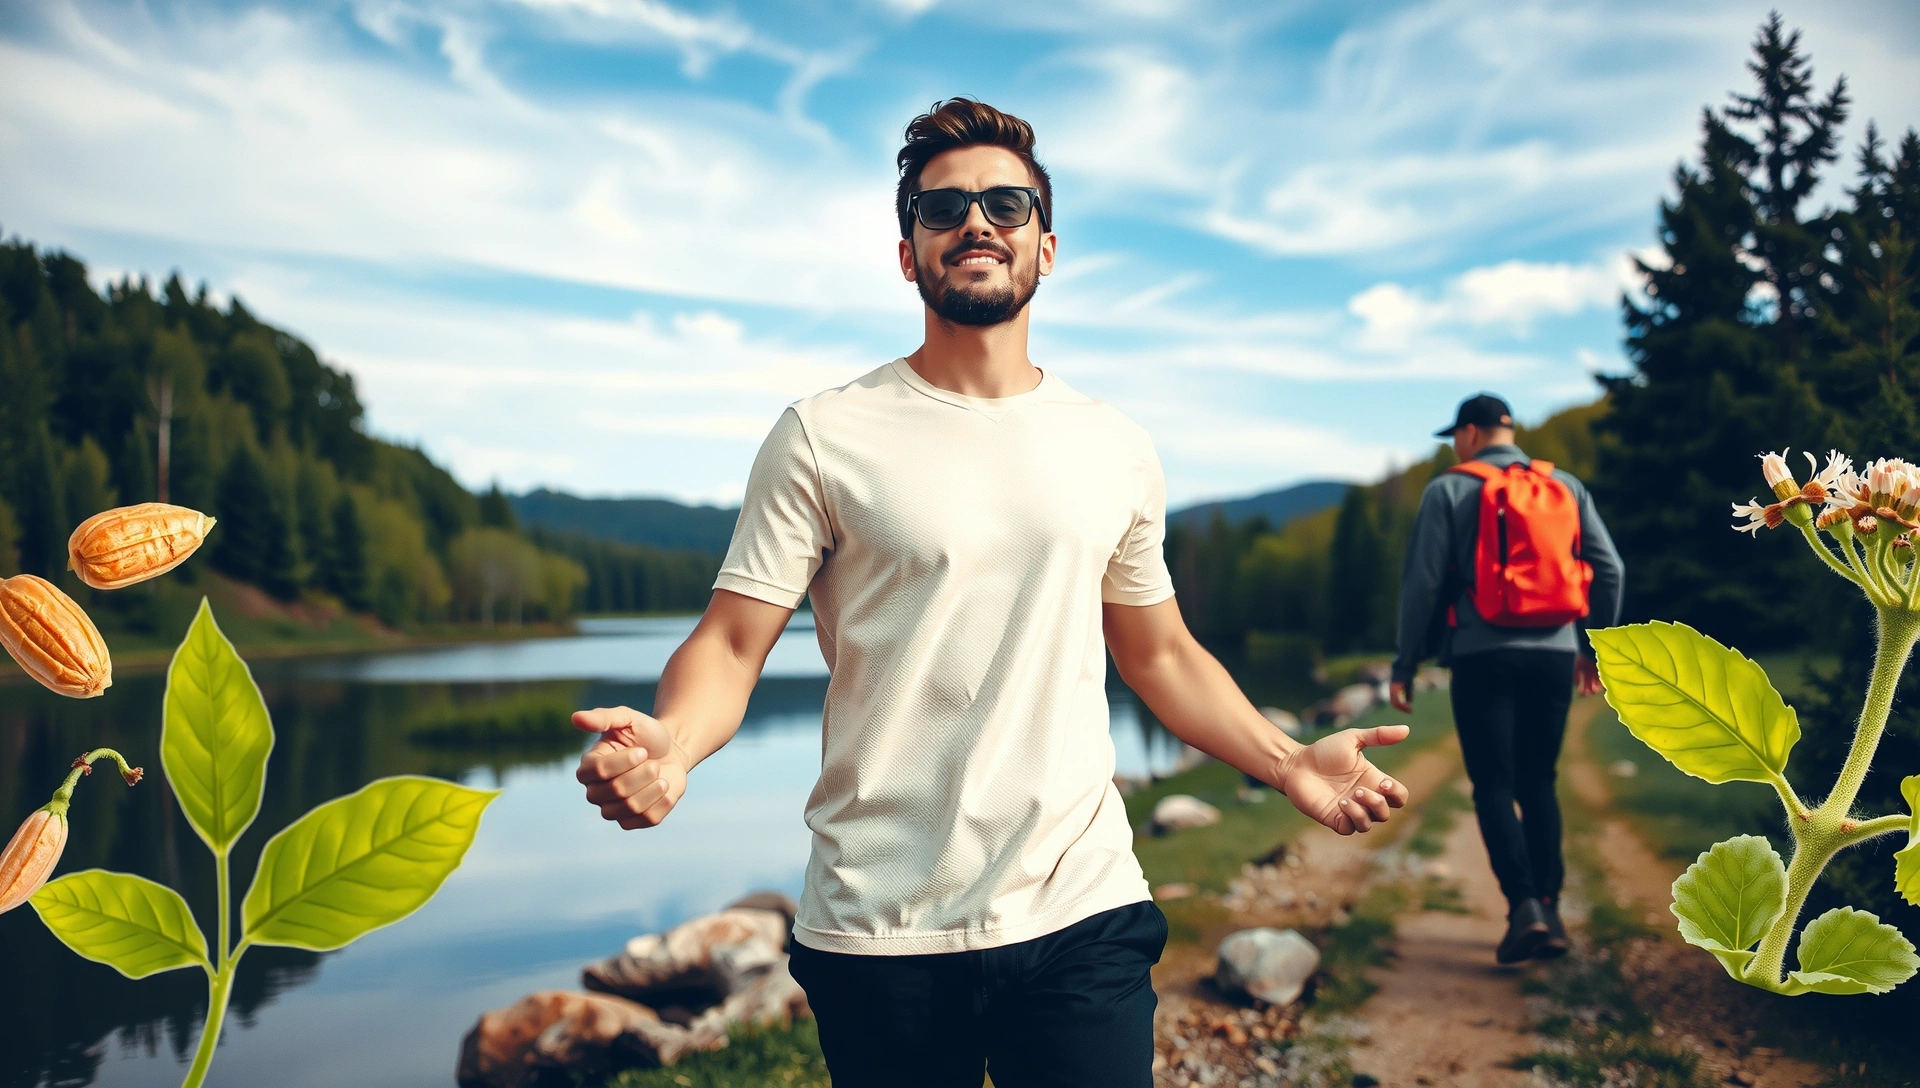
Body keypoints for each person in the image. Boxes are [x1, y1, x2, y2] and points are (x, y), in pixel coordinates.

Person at [572, 97, 1414, 1088]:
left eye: (1006, 203)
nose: (978, 222)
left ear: (1045, 247)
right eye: (944, 208)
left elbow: (1161, 653)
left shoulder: (1113, 445)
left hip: (1080, 910)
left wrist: (1286, 761)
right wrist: (676, 740)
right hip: (878, 928)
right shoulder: (823, 434)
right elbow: (730, 642)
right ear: (907, 252)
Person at [1388, 393, 1624, 965]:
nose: (1455, 445)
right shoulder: (1565, 485)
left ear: (1470, 432)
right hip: (1554, 654)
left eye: (1455, 436)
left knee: (1492, 782)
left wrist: (1407, 661)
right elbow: (1609, 568)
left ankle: (1524, 909)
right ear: (1509, 430)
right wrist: (1595, 650)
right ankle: (1550, 904)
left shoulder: (1448, 489)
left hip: (1481, 652)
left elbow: (1422, 584)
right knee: (1538, 780)